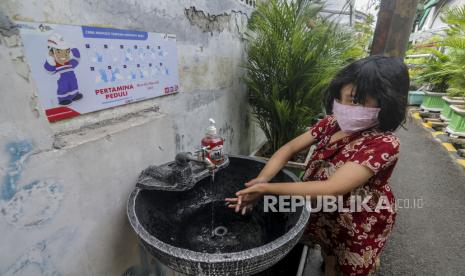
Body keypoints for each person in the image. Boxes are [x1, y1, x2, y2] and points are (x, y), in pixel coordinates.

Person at [225, 56, 409, 275]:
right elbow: (289, 149)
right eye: (344, 99)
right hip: (325, 209)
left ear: (386, 102)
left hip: (358, 216)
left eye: (357, 101)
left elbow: (333, 187)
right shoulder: (332, 124)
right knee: (328, 250)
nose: (346, 107)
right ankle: (329, 263)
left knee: (348, 262)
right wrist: (263, 178)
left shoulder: (383, 143)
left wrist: (265, 190)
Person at [44, 33, 83, 105]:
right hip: (61, 79)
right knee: (63, 87)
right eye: (59, 51)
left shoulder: (69, 63)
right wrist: (50, 61)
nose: (64, 55)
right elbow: (49, 70)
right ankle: (63, 99)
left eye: (66, 51)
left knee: (73, 84)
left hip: (71, 77)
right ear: (51, 53)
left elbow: (76, 59)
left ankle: (74, 95)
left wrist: (74, 48)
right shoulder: (55, 64)